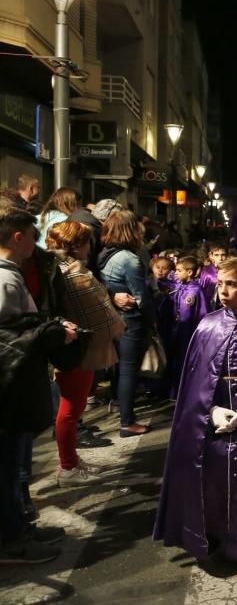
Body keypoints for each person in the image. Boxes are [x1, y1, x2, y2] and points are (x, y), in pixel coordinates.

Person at [154, 258, 237, 568]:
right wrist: (210, 410)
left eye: (232, 284)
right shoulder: (207, 326)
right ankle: (214, 540)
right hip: (213, 425)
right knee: (212, 484)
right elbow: (194, 383)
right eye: (221, 283)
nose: (222, 290)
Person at [0, 206, 80, 564]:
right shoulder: (5, 279)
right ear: (18, 237)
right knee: (6, 468)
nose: (37, 243)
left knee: (13, 464)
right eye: (33, 236)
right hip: (8, 388)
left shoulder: (12, 273)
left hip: (15, 387)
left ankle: (18, 528)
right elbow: (8, 336)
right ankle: (12, 540)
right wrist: (50, 333)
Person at [46, 222, 124, 486]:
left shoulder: (60, 269)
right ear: (76, 244)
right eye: (87, 242)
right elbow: (99, 310)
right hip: (80, 346)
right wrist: (119, 327)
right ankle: (68, 467)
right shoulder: (73, 273)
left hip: (78, 344)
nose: (91, 247)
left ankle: (72, 461)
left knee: (73, 407)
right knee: (71, 408)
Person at [98, 210, 154, 438]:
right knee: (129, 371)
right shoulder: (130, 259)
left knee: (121, 369)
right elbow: (142, 297)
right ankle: (127, 422)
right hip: (131, 321)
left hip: (114, 317)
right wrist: (154, 321)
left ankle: (123, 412)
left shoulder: (105, 254)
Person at [166, 256, 208, 399]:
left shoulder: (194, 291)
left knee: (186, 360)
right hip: (178, 330)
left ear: (189, 272)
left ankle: (185, 391)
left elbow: (192, 314)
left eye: (179, 270)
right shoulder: (181, 287)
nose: (175, 273)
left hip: (188, 332)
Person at [199, 243, 229, 309]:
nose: (220, 258)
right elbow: (202, 293)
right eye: (216, 255)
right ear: (211, 256)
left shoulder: (231, 271)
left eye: (223, 255)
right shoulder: (207, 272)